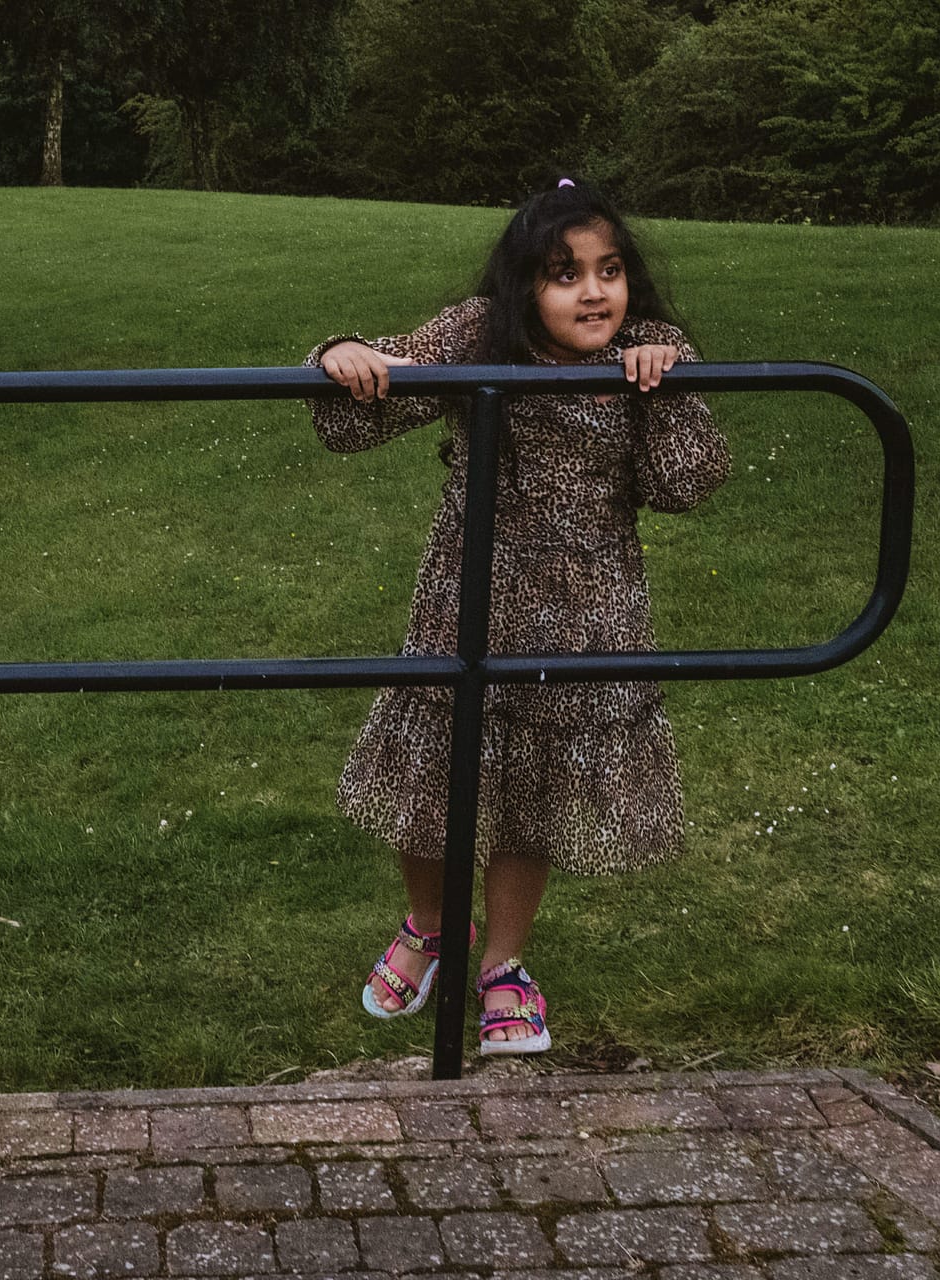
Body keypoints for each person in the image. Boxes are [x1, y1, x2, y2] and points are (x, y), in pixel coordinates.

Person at [308, 177, 731, 1055]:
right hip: (466, 601)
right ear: (521, 284)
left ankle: (504, 964)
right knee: (433, 780)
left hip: (586, 614)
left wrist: (664, 389)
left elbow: (686, 484)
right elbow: (357, 414)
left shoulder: (648, 350)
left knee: (531, 794)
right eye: (564, 272)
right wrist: (342, 353)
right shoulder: (477, 333)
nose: (592, 292)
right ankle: (430, 926)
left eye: (609, 271)